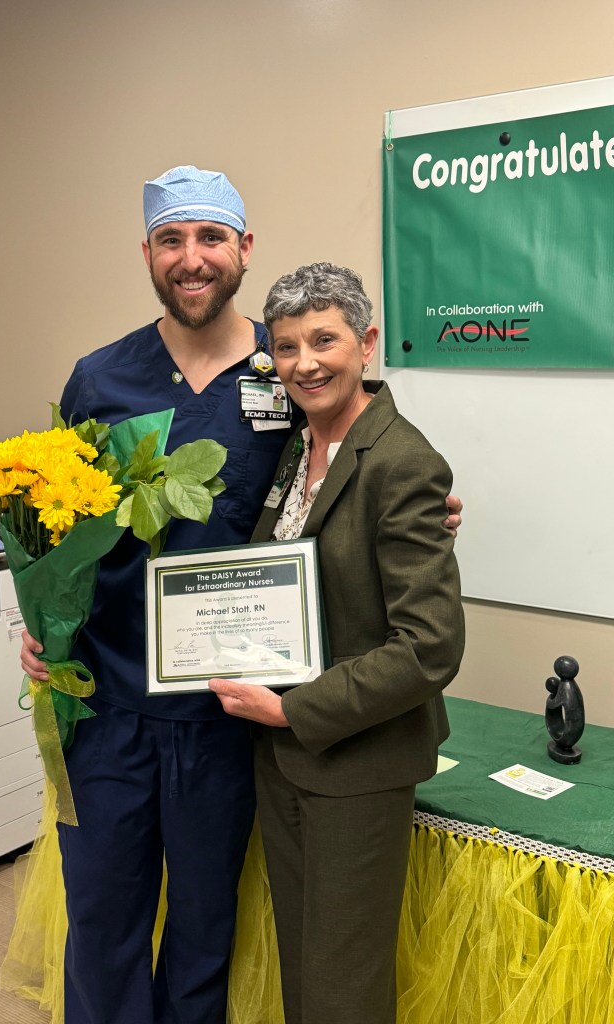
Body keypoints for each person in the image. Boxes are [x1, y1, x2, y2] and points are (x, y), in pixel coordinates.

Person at [18, 168, 463, 1024]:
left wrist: (434, 506)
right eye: (172, 240)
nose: (193, 259)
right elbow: (48, 523)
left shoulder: (287, 366)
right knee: (102, 922)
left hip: (228, 714)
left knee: (204, 930)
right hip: (108, 704)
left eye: (211, 238)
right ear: (147, 252)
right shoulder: (99, 379)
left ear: (243, 249)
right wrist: (39, 625)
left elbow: (358, 465)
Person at [209, 262, 466, 1024]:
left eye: (324, 340)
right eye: (286, 347)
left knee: (343, 983)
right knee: (305, 961)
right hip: (286, 755)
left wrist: (293, 711)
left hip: (354, 760)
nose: (304, 362)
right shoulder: (300, 448)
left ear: (367, 343)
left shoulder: (403, 462)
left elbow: (428, 647)